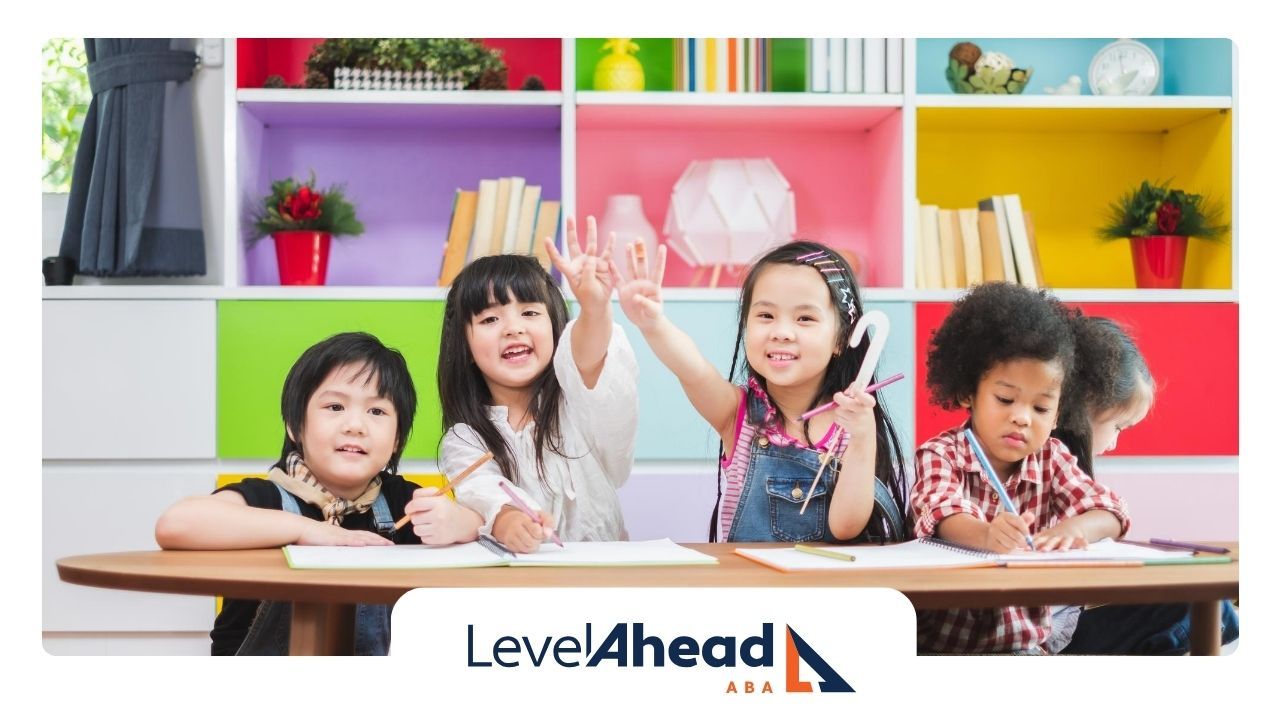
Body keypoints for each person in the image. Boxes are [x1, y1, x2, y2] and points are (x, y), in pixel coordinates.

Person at [617, 239, 910, 543]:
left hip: (826, 589)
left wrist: (862, 437)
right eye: (766, 316)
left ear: (840, 339)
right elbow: (693, 369)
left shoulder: (852, 423)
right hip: (749, 589)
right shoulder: (737, 415)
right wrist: (653, 324)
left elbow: (845, 527)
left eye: (805, 318)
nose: (781, 332)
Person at [155, 331, 422, 655]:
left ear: (396, 440)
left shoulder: (402, 503)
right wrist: (307, 530)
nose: (356, 425)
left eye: (377, 412)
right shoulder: (265, 498)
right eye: (335, 406)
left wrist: (457, 519)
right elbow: (176, 524)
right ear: (295, 425)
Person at [912, 282, 1129, 654]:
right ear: (968, 392)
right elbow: (940, 510)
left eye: (1041, 408)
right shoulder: (942, 453)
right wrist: (985, 535)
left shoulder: (1053, 458)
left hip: (1029, 648)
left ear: (1060, 411)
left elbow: (1111, 511)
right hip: (945, 651)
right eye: (1005, 398)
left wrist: (1071, 529)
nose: (1021, 418)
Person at [436, 217, 639, 552]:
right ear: (465, 347)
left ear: (556, 328)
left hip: (603, 578)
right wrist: (507, 521)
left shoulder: (576, 398)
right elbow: (482, 491)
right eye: (490, 319)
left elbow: (589, 359)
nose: (513, 328)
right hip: (518, 585)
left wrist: (594, 306)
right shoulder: (465, 438)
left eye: (529, 313)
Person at [1053, 314, 1239, 654]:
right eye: (1119, 427)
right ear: (1084, 406)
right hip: (1046, 640)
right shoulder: (1049, 465)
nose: (1114, 444)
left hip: (1057, 626)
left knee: (1204, 604)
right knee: (1198, 607)